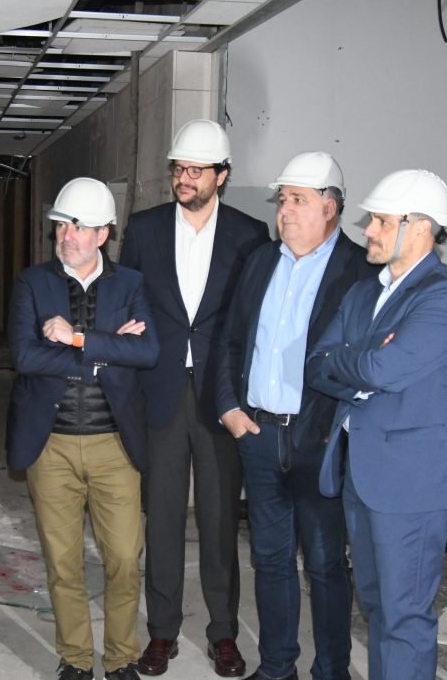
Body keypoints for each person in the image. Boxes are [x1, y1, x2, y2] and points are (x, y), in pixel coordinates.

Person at [305, 170, 447, 680]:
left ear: (420, 226)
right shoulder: (364, 293)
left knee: (404, 617)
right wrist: (360, 361)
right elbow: (317, 364)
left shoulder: (445, 298)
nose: (369, 230)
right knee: (378, 609)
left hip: (413, 484)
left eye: (381, 220)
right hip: (362, 475)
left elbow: (385, 369)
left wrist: (353, 360)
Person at [216, 152, 376, 680]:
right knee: (270, 560)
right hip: (259, 435)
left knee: (327, 565)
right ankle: (277, 666)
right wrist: (230, 407)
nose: (284, 210)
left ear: (330, 207)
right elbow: (231, 340)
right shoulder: (261, 261)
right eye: (282, 200)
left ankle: (331, 670)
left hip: (320, 441)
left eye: (298, 200)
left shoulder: (361, 272)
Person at [119, 119, 269, 678]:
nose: (184, 178)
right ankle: (161, 632)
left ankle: (223, 633)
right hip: (159, 392)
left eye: (196, 170)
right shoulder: (144, 228)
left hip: (220, 396)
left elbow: (252, 319)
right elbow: (127, 299)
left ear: (221, 175)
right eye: (179, 168)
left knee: (219, 520)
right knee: (160, 518)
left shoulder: (250, 235)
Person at [6, 178, 159, 680]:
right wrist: (103, 352)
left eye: (78, 227)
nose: (66, 236)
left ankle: (121, 657)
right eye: (61, 225)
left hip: (115, 444)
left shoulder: (130, 284)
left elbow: (147, 351)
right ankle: (75, 658)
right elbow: (25, 356)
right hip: (50, 445)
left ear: (103, 234)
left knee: (124, 559)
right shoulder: (33, 283)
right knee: (63, 561)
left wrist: (75, 338)